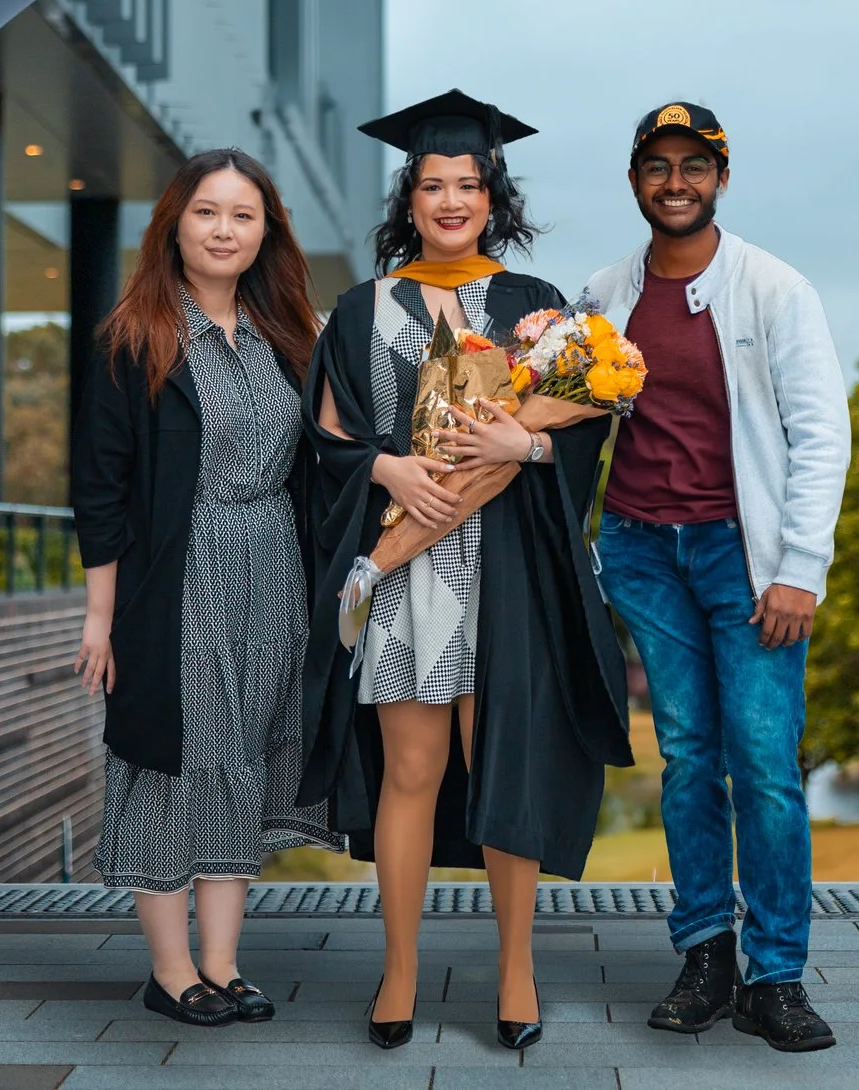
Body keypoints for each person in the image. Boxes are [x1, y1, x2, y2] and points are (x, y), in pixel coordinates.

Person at [300, 89, 631, 1054]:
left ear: (494, 198)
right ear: (409, 198)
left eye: (468, 184)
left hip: (510, 567)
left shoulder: (537, 306)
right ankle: (399, 969)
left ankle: (515, 965)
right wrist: (388, 465)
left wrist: (524, 449)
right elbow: (325, 438)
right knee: (412, 768)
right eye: (433, 184)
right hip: (406, 568)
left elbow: (580, 424)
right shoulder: (362, 308)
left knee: (505, 759)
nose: (451, 200)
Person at [583, 103, 850, 1053]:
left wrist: (800, 569)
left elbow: (822, 432)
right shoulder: (605, 294)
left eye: (695, 165)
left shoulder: (774, 288)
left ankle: (776, 976)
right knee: (691, 757)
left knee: (767, 766)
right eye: (657, 166)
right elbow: (565, 413)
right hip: (645, 550)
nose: (676, 181)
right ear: (635, 182)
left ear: (721, 179)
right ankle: (706, 955)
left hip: (750, 555)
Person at [72, 149, 337, 1028]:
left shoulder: (287, 335)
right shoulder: (135, 336)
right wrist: (101, 616)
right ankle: (170, 968)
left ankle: (223, 963)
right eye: (207, 212)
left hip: (273, 576)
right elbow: (100, 487)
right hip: (175, 581)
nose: (225, 229)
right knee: (169, 768)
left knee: (243, 762)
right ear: (175, 224)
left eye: (244, 215)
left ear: (267, 232)